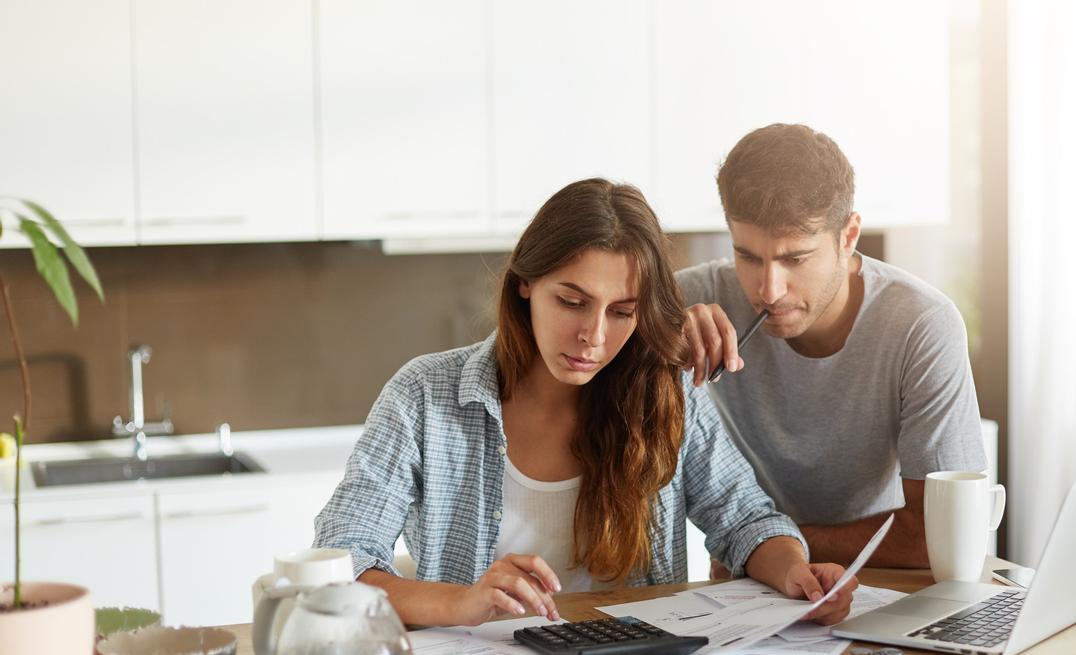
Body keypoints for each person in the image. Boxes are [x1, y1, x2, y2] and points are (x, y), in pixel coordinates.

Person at [313, 178, 858, 627]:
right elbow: (338, 566)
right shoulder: (425, 398)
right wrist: (463, 603)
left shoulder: (665, 394)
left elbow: (745, 521)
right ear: (526, 282)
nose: (593, 337)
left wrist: (795, 573)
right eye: (572, 302)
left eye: (622, 312)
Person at [676, 124, 987, 569]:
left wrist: (762, 544)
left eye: (795, 258)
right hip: (748, 596)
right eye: (747, 256)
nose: (768, 289)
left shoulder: (921, 324)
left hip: (881, 584)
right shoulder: (693, 304)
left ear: (848, 236)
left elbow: (934, 536)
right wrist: (654, 343)